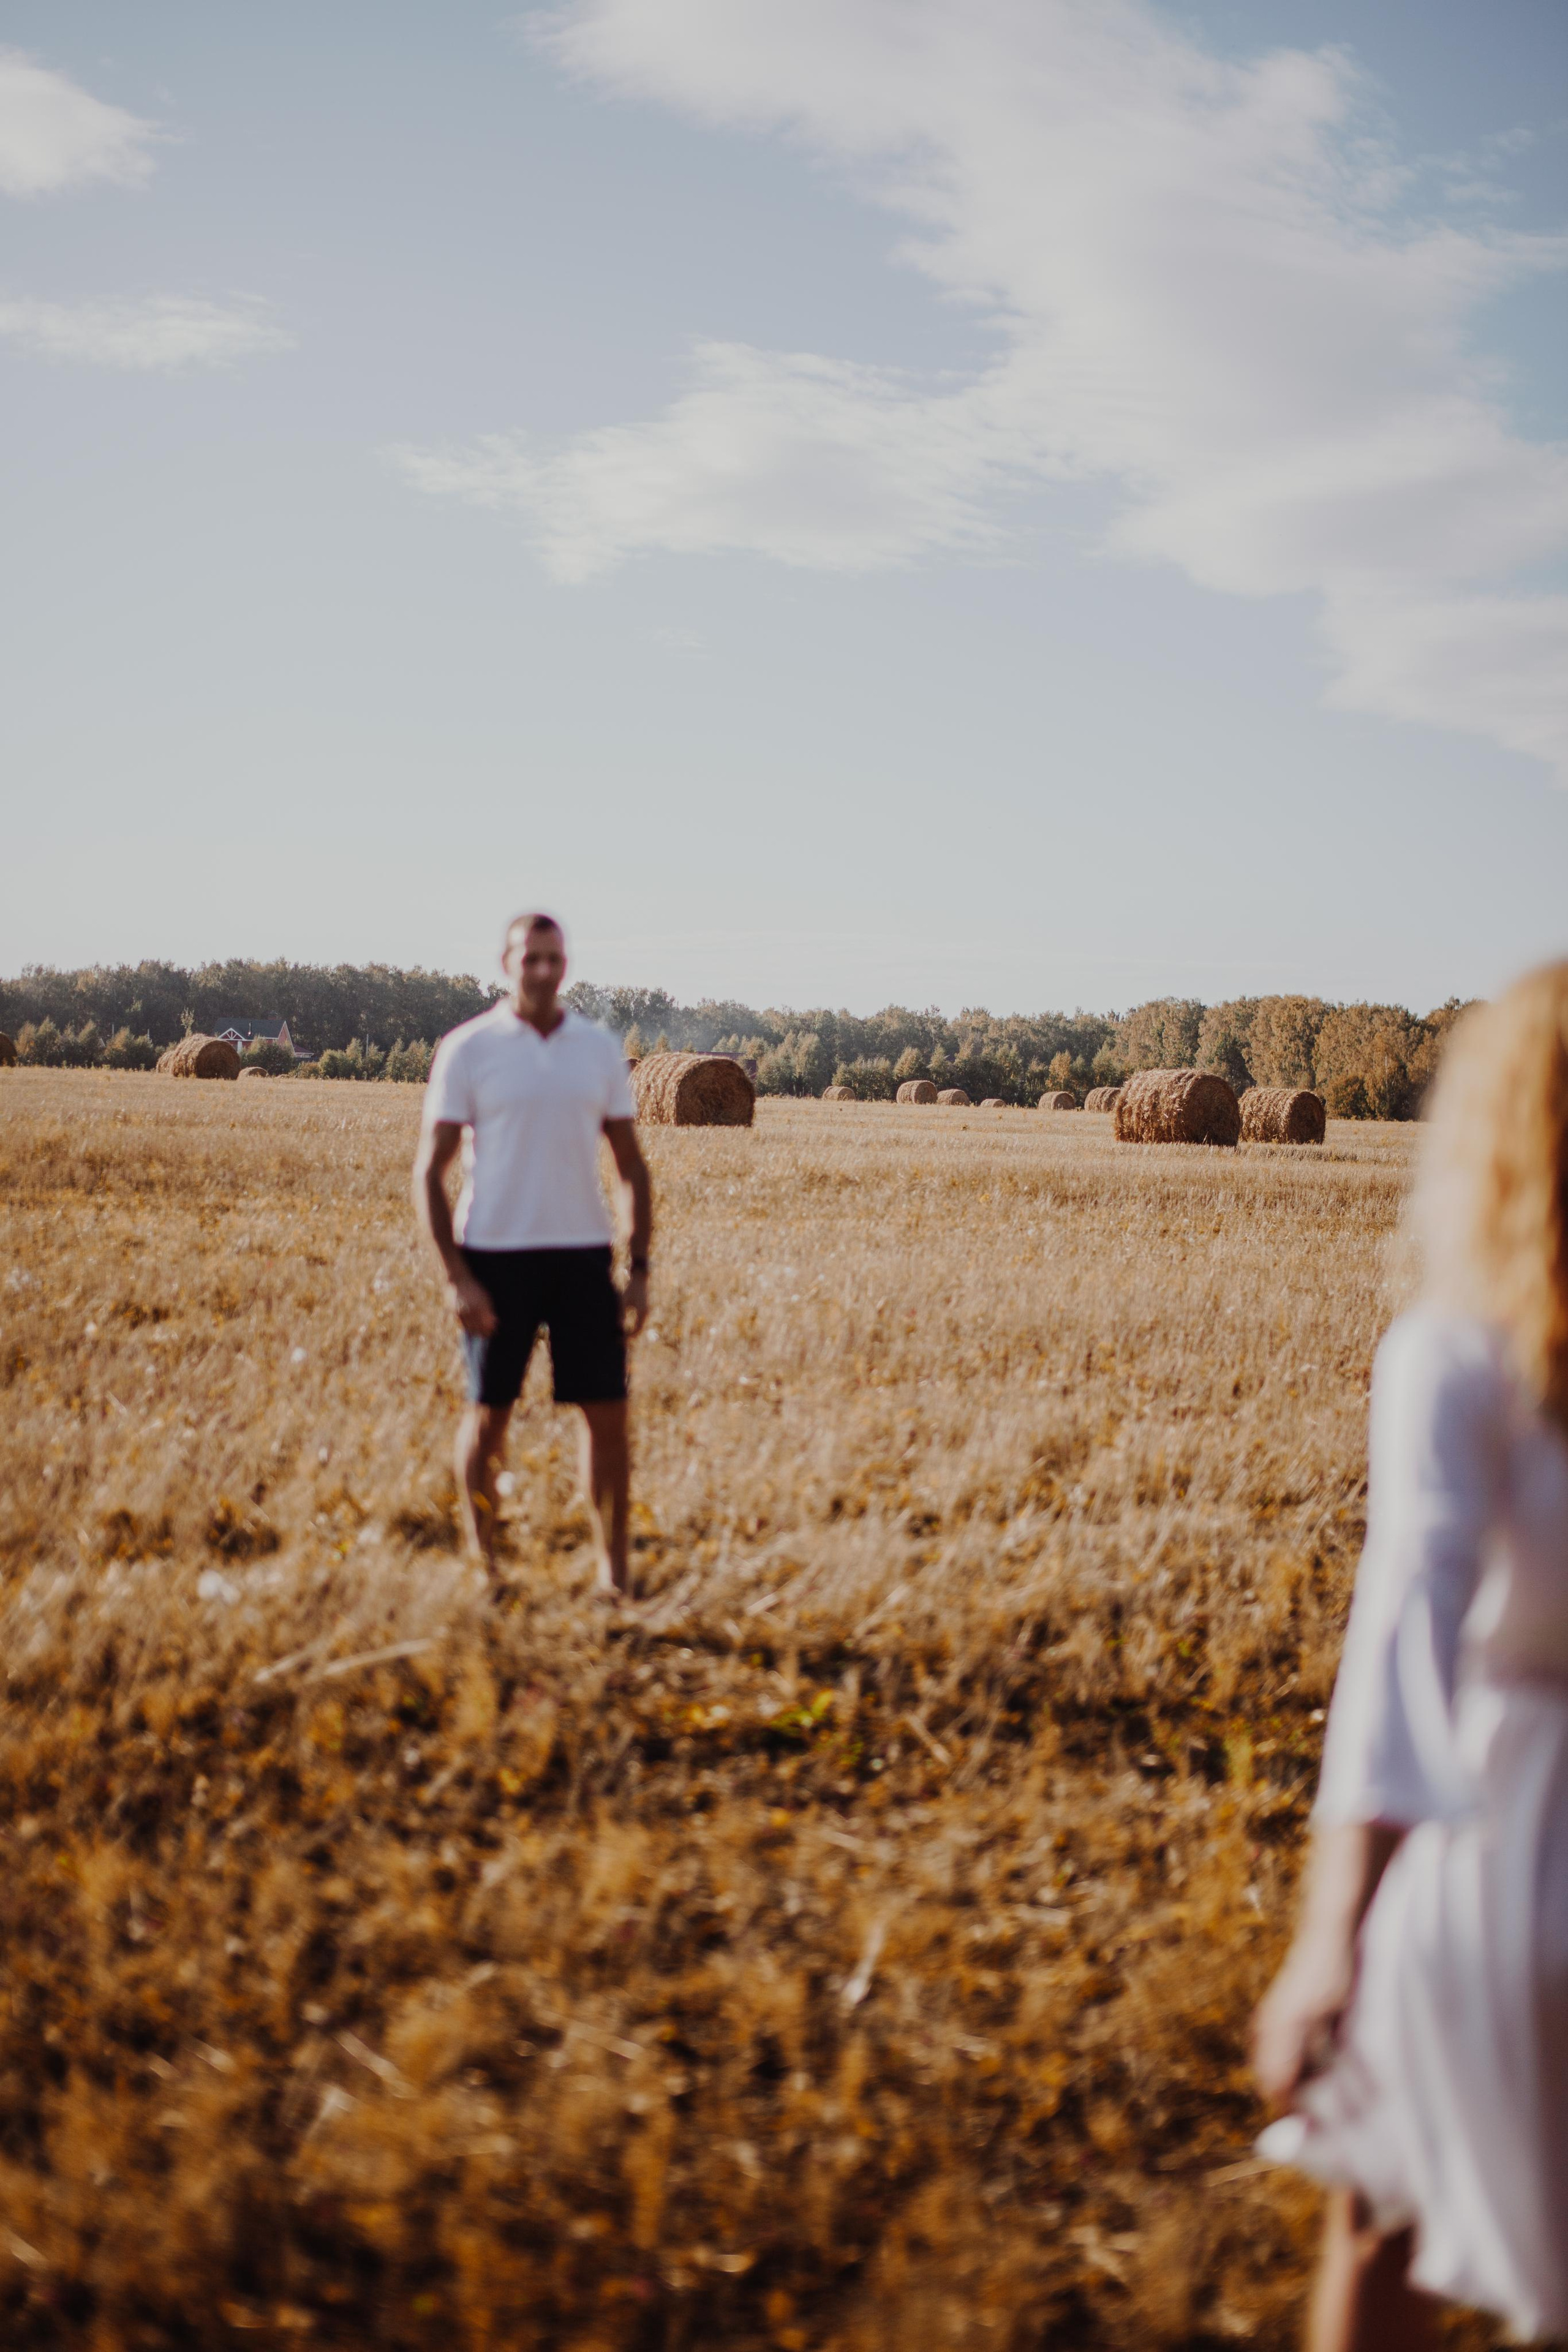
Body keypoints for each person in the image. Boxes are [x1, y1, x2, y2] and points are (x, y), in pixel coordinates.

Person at [1253, 962, 1568, 2351]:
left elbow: (1402, 1634)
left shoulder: (1456, 1352)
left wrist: (1330, 1931)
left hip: (1496, 1834)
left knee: (1376, 2208)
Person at [412, 912, 652, 1596]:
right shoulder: (468, 1049)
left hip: (583, 1257)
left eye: (554, 959)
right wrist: (456, 1276)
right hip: (494, 1256)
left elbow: (631, 1168)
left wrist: (637, 1271)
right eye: (531, 959)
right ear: (506, 962)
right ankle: (488, 1569)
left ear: (566, 964)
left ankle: (614, 1573)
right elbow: (430, 1173)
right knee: (488, 1420)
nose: (543, 971)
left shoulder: (598, 1049)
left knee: (608, 1418)